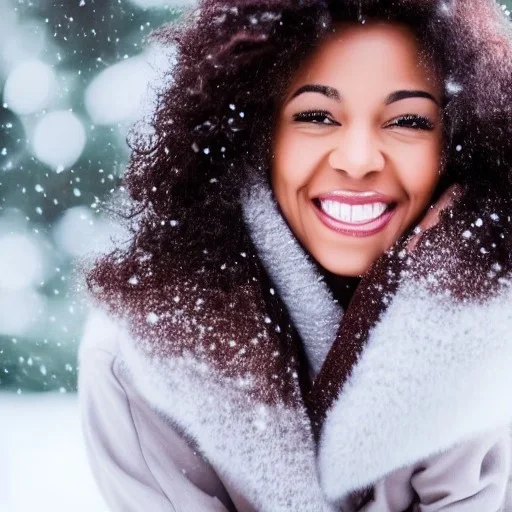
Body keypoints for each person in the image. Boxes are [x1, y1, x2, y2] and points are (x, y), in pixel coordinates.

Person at [79, 0, 512, 510]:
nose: (358, 160)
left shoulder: (500, 334)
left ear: (455, 143)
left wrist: (456, 350)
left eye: (409, 121)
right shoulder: (140, 363)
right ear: (255, 134)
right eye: (316, 116)